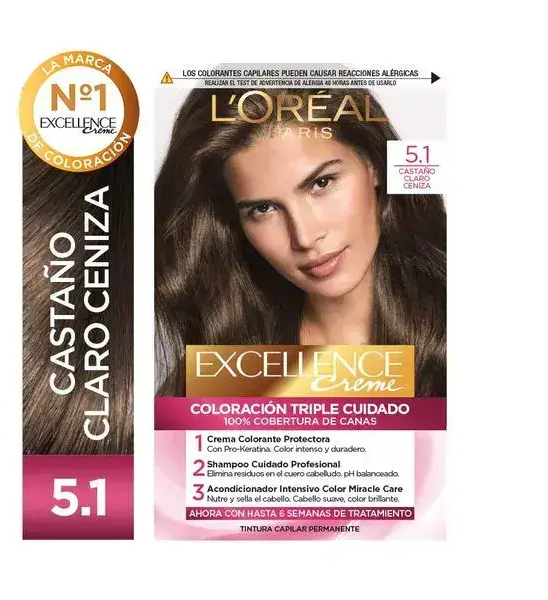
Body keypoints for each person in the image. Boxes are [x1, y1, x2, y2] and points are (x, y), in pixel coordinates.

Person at [155, 88, 446, 397]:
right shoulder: (221, 376)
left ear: (373, 164)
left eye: (322, 183)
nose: (305, 237)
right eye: (263, 209)